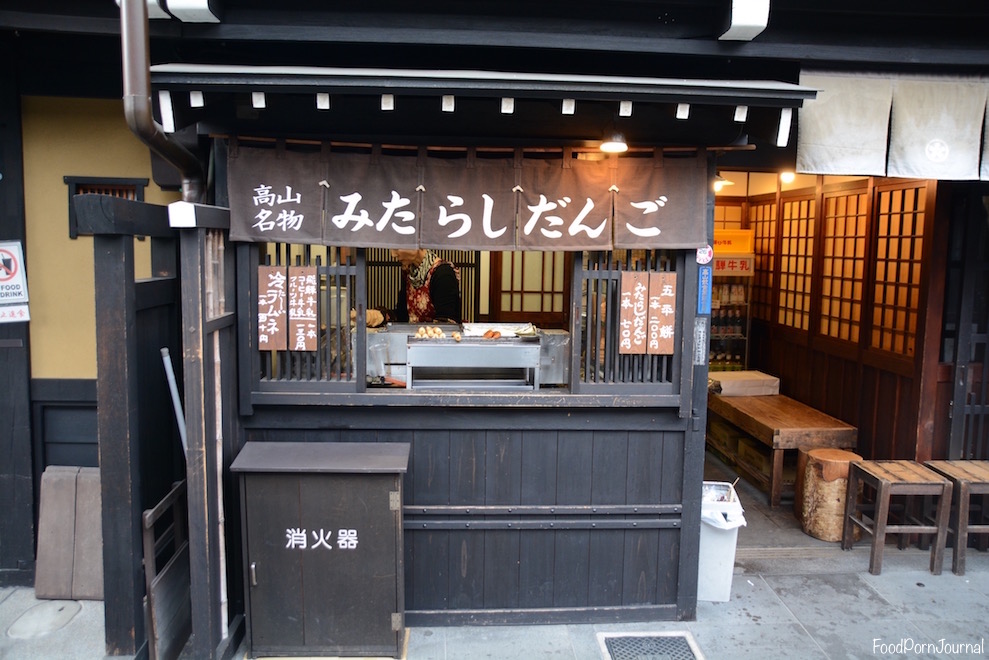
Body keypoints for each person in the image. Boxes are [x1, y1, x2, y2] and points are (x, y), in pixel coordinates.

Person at [370, 248, 462, 326]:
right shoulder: (410, 273)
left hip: (436, 342)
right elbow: (402, 315)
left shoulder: (443, 274)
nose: (393, 254)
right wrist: (378, 316)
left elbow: (447, 323)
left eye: (397, 248)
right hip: (413, 340)